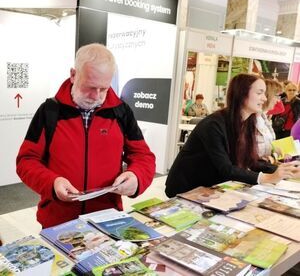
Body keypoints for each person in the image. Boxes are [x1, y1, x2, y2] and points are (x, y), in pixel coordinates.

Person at [16, 43, 155, 228]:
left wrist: (137, 177)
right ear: (73, 75)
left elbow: (143, 156)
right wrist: (52, 182)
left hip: (107, 220)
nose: (96, 96)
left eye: (104, 88)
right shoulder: (50, 111)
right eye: (90, 87)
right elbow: (26, 160)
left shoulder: (121, 112)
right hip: (58, 222)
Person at [165, 74, 300, 198]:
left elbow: (250, 161)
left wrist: (285, 170)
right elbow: (226, 168)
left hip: (211, 188)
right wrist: (266, 178)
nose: (264, 98)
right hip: (187, 187)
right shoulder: (213, 125)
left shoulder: (248, 123)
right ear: (242, 94)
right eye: (259, 93)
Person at [256, 79, 283, 161]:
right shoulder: (250, 119)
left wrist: (273, 153)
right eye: (276, 96)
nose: (278, 100)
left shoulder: (263, 116)